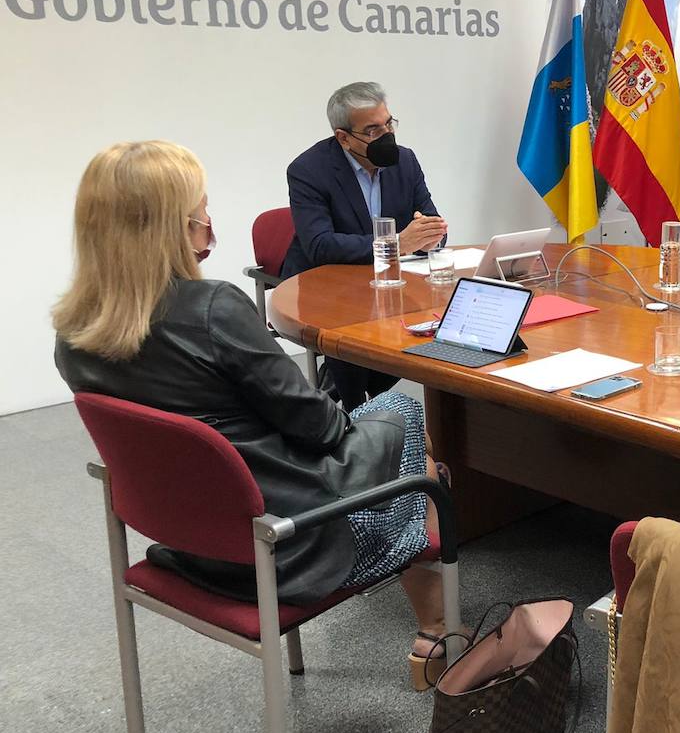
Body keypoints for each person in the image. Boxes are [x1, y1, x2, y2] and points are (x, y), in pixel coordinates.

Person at [54, 141, 452, 690]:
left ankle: (430, 602)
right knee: (401, 411)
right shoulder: (212, 310)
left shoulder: (72, 336)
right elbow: (324, 429)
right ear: (175, 227)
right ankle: (436, 628)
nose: (209, 219)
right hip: (287, 545)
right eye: (201, 209)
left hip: (193, 545)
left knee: (404, 451)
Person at [281, 81, 448, 408]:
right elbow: (320, 245)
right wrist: (397, 243)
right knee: (350, 344)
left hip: (390, 283)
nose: (386, 136)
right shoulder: (308, 170)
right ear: (343, 137)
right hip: (326, 286)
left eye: (388, 124)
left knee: (436, 325)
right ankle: (352, 412)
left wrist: (431, 236)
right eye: (373, 130)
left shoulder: (405, 161)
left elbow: (428, 220)